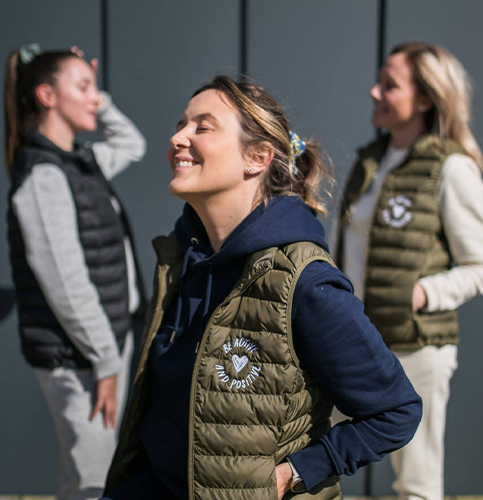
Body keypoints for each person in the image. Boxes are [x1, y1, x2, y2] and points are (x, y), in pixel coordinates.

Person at [101, 75, 421, 500]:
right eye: (180, 124)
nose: (178, 138)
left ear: (257, 157)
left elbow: (396, 410)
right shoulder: (180, 260)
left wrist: (294, 473)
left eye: (202, 126)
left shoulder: (305, 281)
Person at [332, 42, 483, 500]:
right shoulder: (368, 162)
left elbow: (478, 266)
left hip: (415, 346)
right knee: (310, 449)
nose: (374, 92)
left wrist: (421, 294)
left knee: (416, 483)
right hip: (353, 341)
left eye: (390, 85)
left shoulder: (450, 168)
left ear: (424, 99)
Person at [5, 44, 147, 500]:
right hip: (81, 357)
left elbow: (132, 144)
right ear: (47, 96)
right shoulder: (44, 178)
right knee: (90, 481)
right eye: (83, 87)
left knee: (103, 472)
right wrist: (105, 362)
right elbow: (65, 285)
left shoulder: (80, 161)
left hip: (106, 346)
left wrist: (98, 101)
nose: (94, 97)